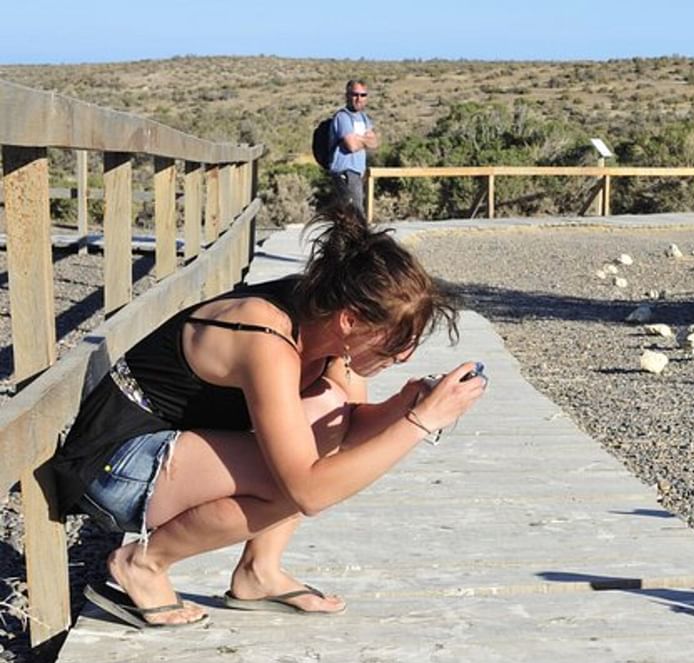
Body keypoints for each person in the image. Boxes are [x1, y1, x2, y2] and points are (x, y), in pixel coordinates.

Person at [50, 205, 484, 627]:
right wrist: (420, 423)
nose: (404, 356)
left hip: (171, 450)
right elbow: (310, 491)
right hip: (113, 466)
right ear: (351, 319)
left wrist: (406, 404)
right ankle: (142, 563)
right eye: (396, 342)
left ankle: (259, 572)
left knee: (328, 410)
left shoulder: (325, 320)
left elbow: (347, 428)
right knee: (292, 482)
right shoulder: (265, 337)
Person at [328, 79, 378, 213]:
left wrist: (358, 139)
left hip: (357, 173)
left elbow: (374, 142)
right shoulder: (342, 117)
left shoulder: (364, 118)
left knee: (352, 215)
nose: (359, 98)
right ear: (347, 96)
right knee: (354, 215)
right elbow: (351, 145)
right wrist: (364, 140)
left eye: (363, 95)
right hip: (345, 172)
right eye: (355, 94)